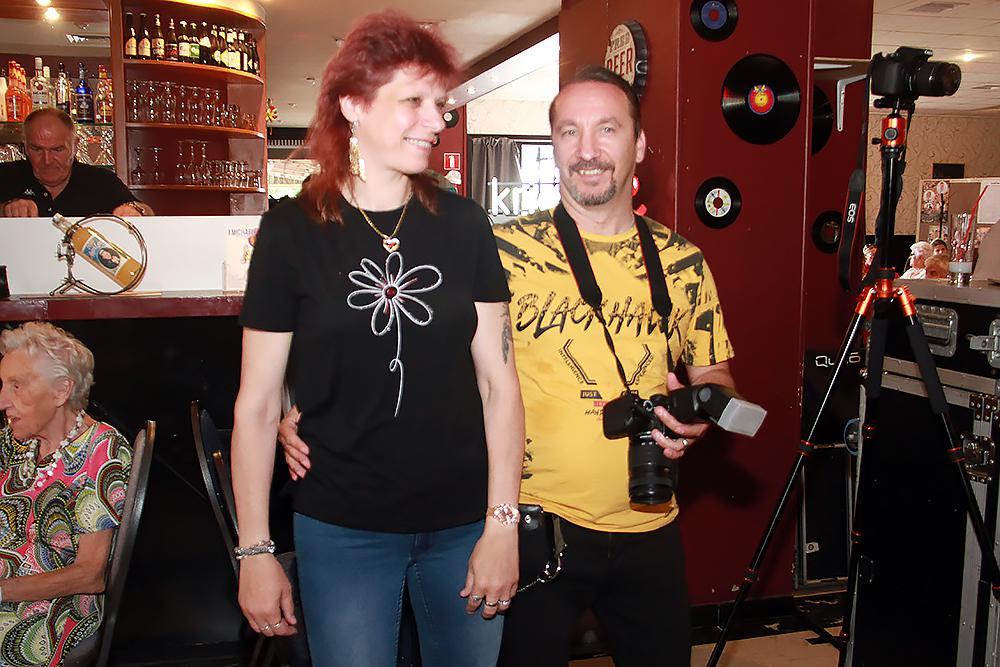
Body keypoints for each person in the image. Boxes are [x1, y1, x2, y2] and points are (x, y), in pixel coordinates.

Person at [281, 65, 738, 666]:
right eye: (569, 132)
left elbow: (716, 377)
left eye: (607, 129)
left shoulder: (682, 262)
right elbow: (388, 334)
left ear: (640, 144)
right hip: (527, 528)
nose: (587, 150)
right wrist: (308, 409)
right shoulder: (497, 249)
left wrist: (701, 415)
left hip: (650, 521)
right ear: (554, 146)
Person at [232, 10, 524, 667]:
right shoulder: (290, 232)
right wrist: (254, 549)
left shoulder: (465, 225)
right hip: (344, 527)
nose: (435, 120)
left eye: (440, 104)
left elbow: (499, 385)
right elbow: (255, 404)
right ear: (354, 106)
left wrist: (502, 523)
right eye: (413, 101)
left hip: (464, 522)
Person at [0, 321, 132, 667]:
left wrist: (3, 590)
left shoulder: (101, 451)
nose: (3, 401)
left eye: (16, 386)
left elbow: (90, 574)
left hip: (52, 608)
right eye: (3, 385)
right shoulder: (17, 439)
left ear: (61, 391)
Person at [0, 108, 153, 218]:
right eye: (37, 149)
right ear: (26, 147)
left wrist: (133, 209)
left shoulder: (100, 181)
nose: (47, 160)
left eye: (57, 150)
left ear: (75, 146)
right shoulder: (6, 176)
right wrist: (5, 209)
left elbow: (146, 211)